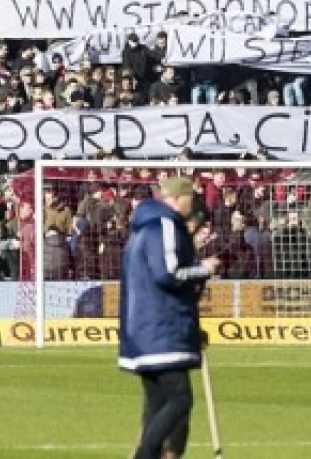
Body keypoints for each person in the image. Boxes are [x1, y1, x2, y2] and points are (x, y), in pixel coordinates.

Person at [119, 176, 220, 459]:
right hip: (160, 330)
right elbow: (167, 274)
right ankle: (145, 454)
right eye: (190, 196)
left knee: (156, 402)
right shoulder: (162, 226)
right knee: (180, 399)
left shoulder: (144, 229)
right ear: (179, 198)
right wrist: (203, 268)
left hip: (147, 329)